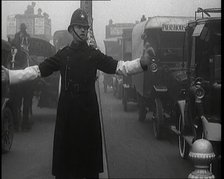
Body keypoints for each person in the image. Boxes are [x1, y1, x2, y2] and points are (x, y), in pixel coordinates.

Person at [2, 8, 155, 179]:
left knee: (88, 164)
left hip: (88, 110)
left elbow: (120, 67)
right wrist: (10, 74)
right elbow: (37, 70)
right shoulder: (63, 55)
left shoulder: (94, 55)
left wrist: (142, 63)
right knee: (65, 164)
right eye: (79, 26)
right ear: (71, 29)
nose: (83, 30)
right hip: (67, 110)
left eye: (85, 27)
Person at [10, 23, 34, 131]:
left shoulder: (17, 37)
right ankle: (24, 123)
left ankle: (17, 123)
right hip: (26, 71)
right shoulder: (27, 37)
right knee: (27, 100)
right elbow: (28, 50)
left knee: (17, 100)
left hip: (18, 70)